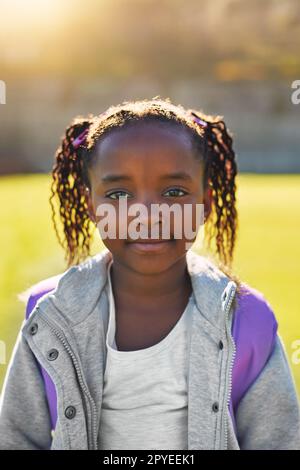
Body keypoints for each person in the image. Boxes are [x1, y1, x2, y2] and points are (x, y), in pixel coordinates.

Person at [0, 97, 299, 450]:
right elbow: (16, 437)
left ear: (205, 204)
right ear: (90, 205)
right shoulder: (51, 315)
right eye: (119, 193)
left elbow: (279, 440)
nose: (147, 214)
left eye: (174, 192)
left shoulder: (245, 319)